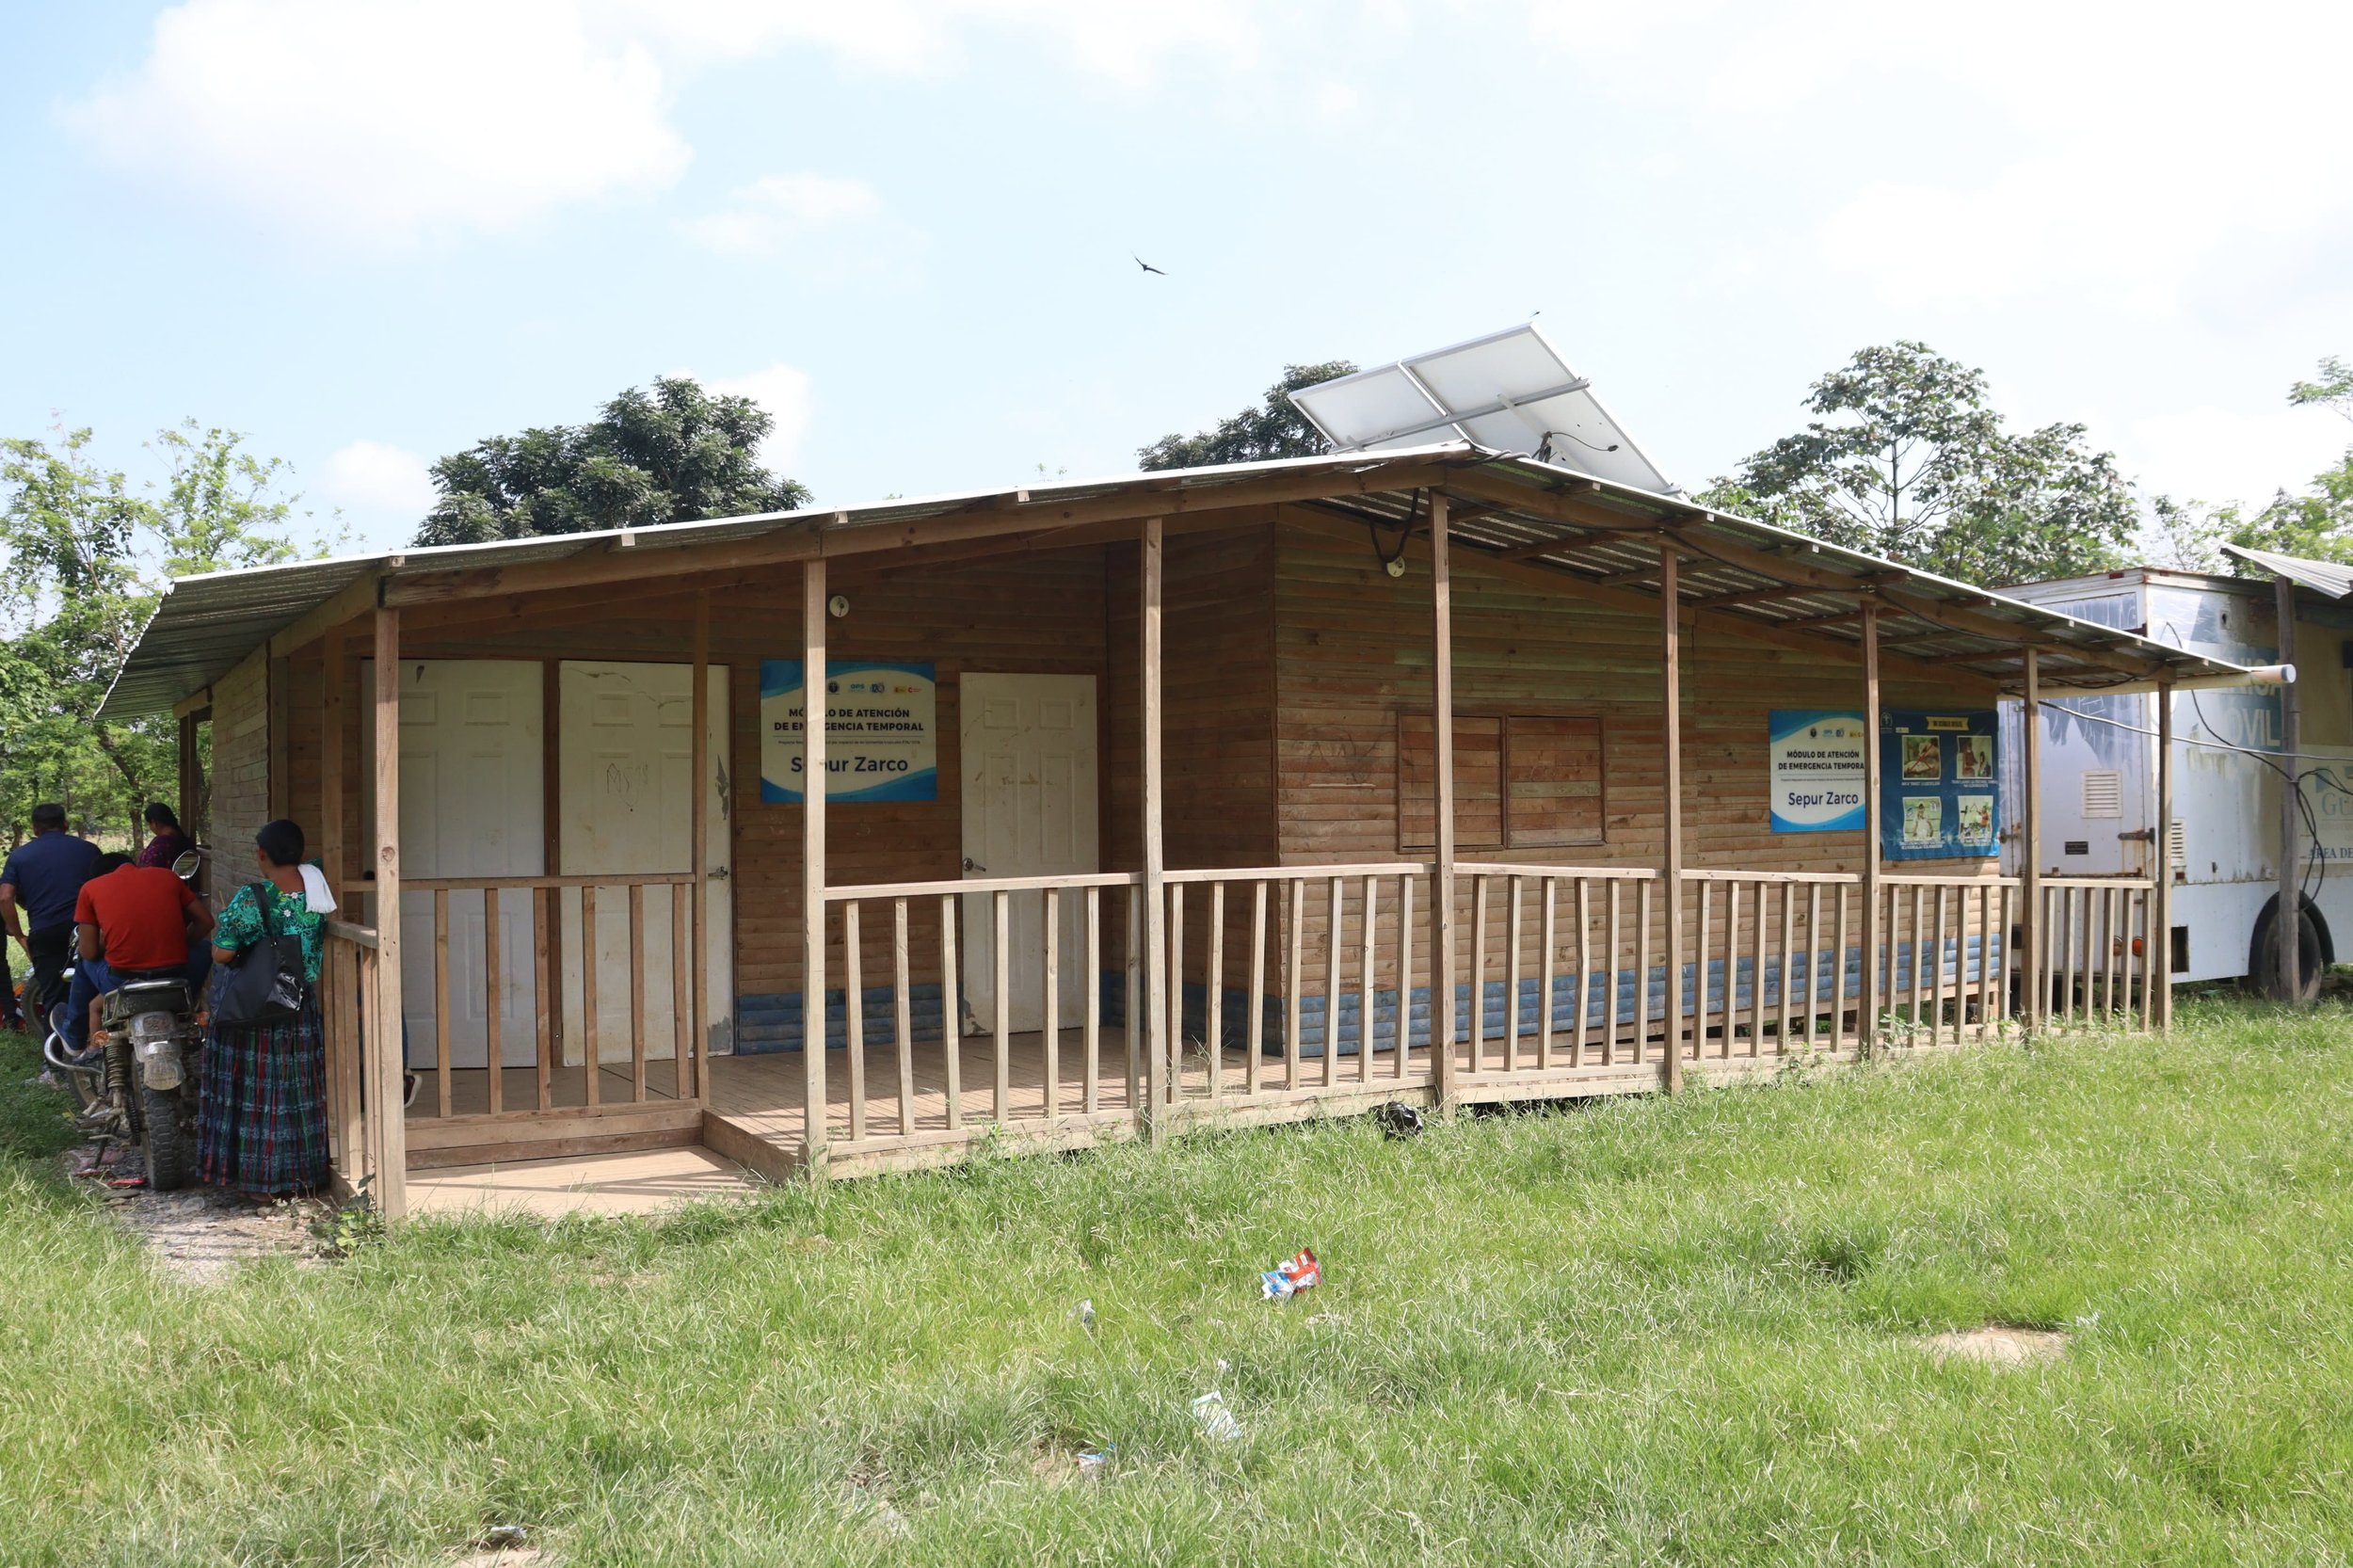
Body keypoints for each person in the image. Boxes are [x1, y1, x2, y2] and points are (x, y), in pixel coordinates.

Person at [200, 819, 329, 1198]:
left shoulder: (253, 896)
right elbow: (318, 863)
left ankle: (260, 1183)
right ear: (302, 855)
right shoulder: (318, 885)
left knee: (259, 1098)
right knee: (295, 1093)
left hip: (257, 1010)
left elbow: (221, 954)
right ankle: (303, 1175)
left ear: (261, 855)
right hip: (300, 1005)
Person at [70, 851, 215, 1054]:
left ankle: (78, 1042)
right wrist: (181, 943)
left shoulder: (91, 888)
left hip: (123, 980)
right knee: (204, 948)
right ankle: (190, 1002)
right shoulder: (167, 876)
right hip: (175, 975)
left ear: (101, 875)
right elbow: (206, 922)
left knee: (83, 962)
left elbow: (90, 951)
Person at [1, 804, 102, 1024]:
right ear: (65, 825)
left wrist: (19, 935)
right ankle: (99, 1044)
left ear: (35, 829)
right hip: (86, 929)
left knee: (53, 997)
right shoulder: (88, 850)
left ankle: (55, 1052)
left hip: (45, 931)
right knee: (97, 988)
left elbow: (5, 897)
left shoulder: (19, 857)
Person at [135, 803, 194, 871]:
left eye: (149, 824)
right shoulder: (181, 840)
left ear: (154, 823)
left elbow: (147, 870)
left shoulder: (160, 844)